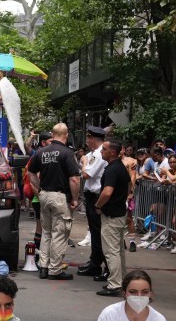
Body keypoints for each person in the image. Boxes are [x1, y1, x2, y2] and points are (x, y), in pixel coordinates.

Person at [27, 123, 80, 280]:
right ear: (66, 134)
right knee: (59, 233)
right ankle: (55, 269)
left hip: (44, 195)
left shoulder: (41, 152)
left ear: (52, 133)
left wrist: (40, 189)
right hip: (59, 196)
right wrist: (75, 199)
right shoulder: (67, 153)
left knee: (47, 232)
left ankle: (43, 266)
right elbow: (74, 179)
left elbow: (31, 173)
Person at [95, 139, 131, 297]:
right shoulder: (120, 168)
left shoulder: (112, 169)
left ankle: (115, 284)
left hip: (112, 215)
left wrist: (98, 205)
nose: (101, 151)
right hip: (118, 213)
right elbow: (130, 186)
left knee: (111, 251)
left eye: (104, 149)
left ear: (113, 153)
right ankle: (121, 280)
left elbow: (107, 192)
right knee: (117, 250)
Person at [77, 126, 107, 281]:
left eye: (89, 138)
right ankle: (94, 262)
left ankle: (100, 265)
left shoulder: (99, 154)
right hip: (91, 196)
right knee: (95, 232)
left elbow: (86, 174)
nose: (87, 141)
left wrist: (83, 162)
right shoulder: (92, 154)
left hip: (97, 196)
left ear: (94, 139)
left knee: (99, 233)